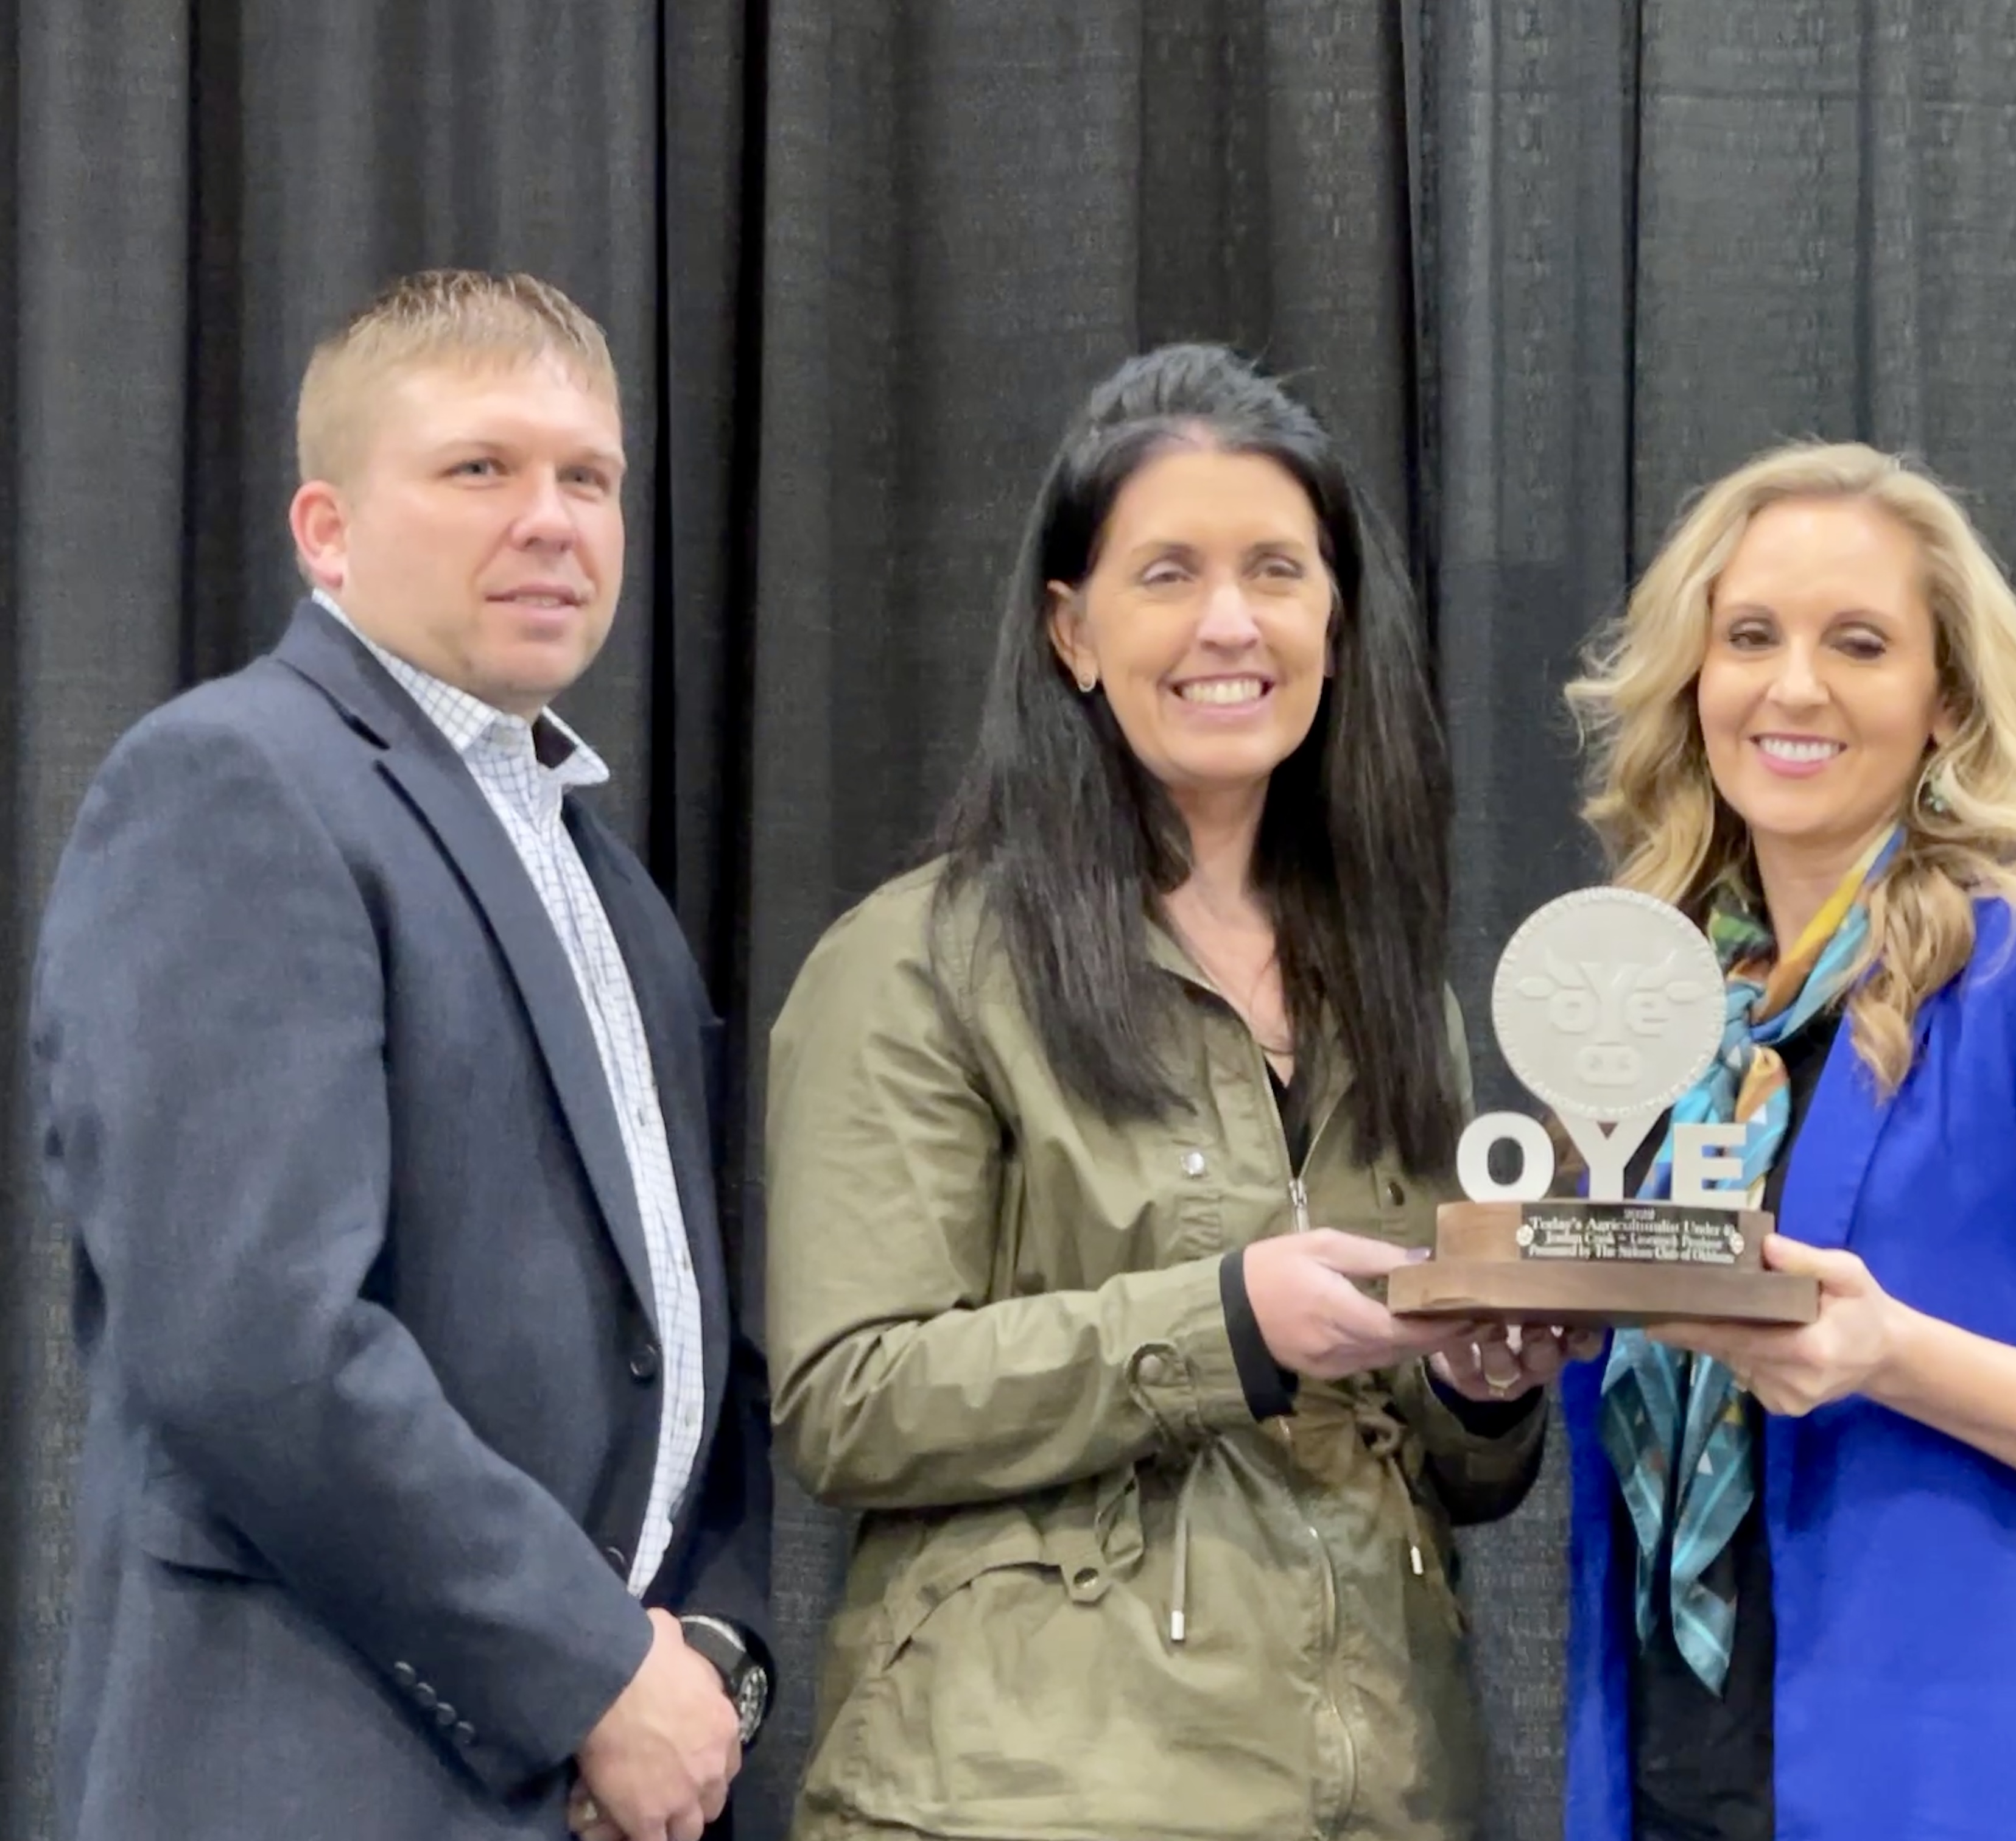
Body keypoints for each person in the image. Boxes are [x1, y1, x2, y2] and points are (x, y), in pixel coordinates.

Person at [764, 343, 1569, 1841]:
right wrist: (1230, 1323)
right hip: (1020, 1801)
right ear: (1070, 632)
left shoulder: (1395, 995)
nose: (1228, 623)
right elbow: (849, 1399)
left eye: (1277, 569)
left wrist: (1482, 1389)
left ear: (1334, 618)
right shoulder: (920, 964)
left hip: (1388, 1797)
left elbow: (1438, 1463)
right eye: (1167, 574)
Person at [31, 270, 773, 1841]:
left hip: (586, 1786)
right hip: (318, 1778)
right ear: (327, 530)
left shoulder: (602, 878)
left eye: (590, 477)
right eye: (479, 469)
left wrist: (702, 1655)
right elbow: (252, 1347)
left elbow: (685, 1340)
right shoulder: (235, 784)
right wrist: (587, 1673)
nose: (553, 520)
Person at [1551, 441, 2016, 1841]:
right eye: (1750, 636)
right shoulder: (1658, 1013)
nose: (1793, 686)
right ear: (1693, 679)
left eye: (1860, 643)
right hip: (1667, 1792)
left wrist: (1895, 1358)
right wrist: (1505, 1362)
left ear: (1945, 696)